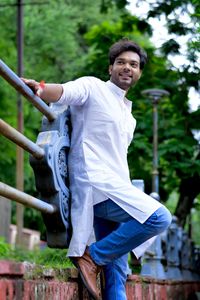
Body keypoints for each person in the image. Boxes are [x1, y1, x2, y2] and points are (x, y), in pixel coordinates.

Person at [22, 38, 172, 300]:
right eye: (121, 62)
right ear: (111, 68)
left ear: (139, 73)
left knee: (117, 274)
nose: (127, 67)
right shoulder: (92, 87)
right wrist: (40, 88)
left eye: (134, 65)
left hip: (116, 188)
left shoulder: (130, 116)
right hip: (95, 185)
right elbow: (65, 91)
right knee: (159, 217)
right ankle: (93, 257)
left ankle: (100, 258)